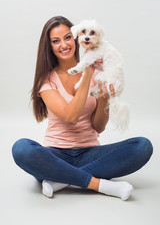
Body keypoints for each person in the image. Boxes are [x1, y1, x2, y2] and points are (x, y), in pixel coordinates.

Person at [12, 16, 153, 201]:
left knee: (142, 146)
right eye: (56, 41)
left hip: (91, 154)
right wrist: (87, 73)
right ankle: (99, 184)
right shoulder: (46, 80)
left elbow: (99, 127)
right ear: (49, 46)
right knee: (22, 148)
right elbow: (71, 116)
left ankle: (60, 180)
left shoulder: (99, 72)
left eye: (67, 37)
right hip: (55, 155)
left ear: (76, 37)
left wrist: (103, 100)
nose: (64, 45)